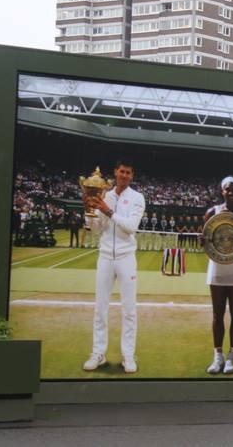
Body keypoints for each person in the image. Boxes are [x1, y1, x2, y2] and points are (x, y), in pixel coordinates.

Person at [81, 158, 145, 374]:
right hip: (106, 256)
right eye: (121, 171)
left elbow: (130, 228)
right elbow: (96, 229)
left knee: (129, 309)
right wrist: (89, 210)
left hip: (126, 257)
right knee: (100, 307)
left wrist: (108, 211)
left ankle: (128, 355)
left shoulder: (137, 198)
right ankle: (98, 353)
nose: (124, 175)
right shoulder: (104, 195)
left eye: (128, 172)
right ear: (115, 172)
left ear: (131, 175)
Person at [201, 176, 233, 374]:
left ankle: (232, 357)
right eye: (227, 190)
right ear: (222, 191)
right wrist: (202, 239)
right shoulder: (212, 212)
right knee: (217, 314)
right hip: (217, 269)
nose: (230, 193)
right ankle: (217, 357)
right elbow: (205, 241)